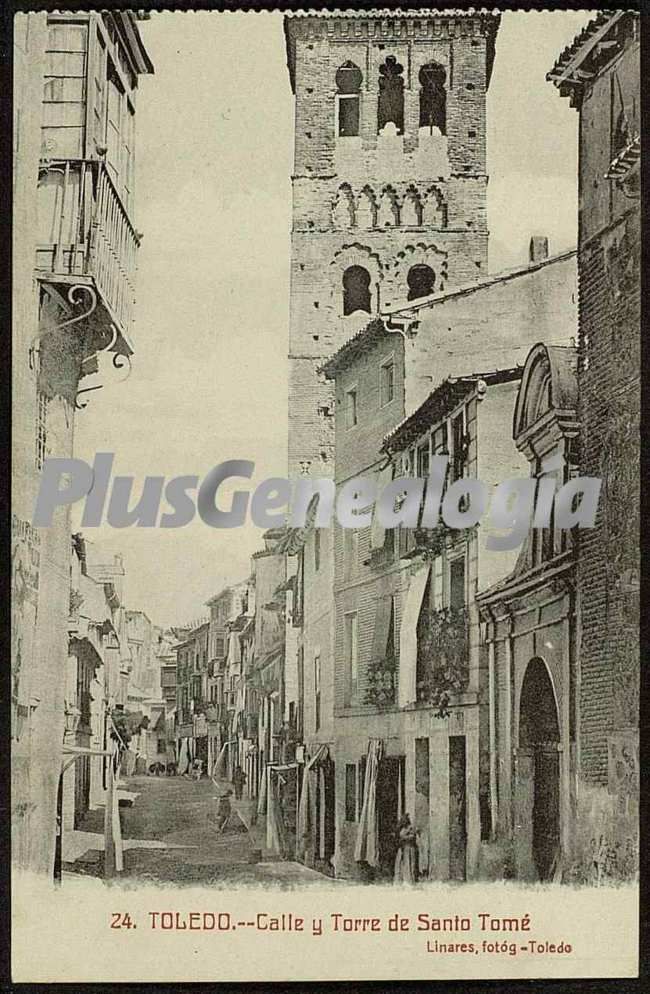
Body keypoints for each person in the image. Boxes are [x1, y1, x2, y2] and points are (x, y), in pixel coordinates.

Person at [393, 813, 419, 884]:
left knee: (410, 863)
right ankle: (400, 880)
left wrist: (404, 838)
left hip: (409, 848)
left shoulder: (411, 828)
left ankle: (409, 880)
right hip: (402, 848)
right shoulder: (401, 828)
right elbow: (398, 836)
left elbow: (412, 836)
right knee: (400, 864)